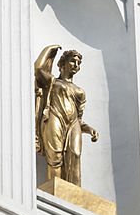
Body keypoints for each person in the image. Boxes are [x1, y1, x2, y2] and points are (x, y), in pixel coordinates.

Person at [34, 45, 99, 186]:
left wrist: (88, 129)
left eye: (78, 63)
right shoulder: (53, 82)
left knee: (75, 154)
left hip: (73, 123)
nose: (76, 65)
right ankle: (54, 188)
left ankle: (74, 192)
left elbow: (79, 118)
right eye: (72, 61)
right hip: (55, 117)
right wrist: (49, 50)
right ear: (62, 64)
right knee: (55, 156)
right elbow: (38, 69)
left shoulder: (80, 92)